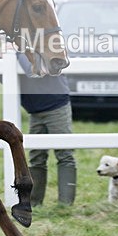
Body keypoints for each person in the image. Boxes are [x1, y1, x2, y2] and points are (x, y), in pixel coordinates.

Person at [15, 50, 77, 206]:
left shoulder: (45, 41)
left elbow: (34, 70)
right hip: (34, 110)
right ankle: (35, 203)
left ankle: (65, 204)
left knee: (64, 153)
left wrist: (15, 52)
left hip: (56, 105)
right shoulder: (14, 48)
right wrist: (5, 56)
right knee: (36, 156)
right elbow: (5, 78)